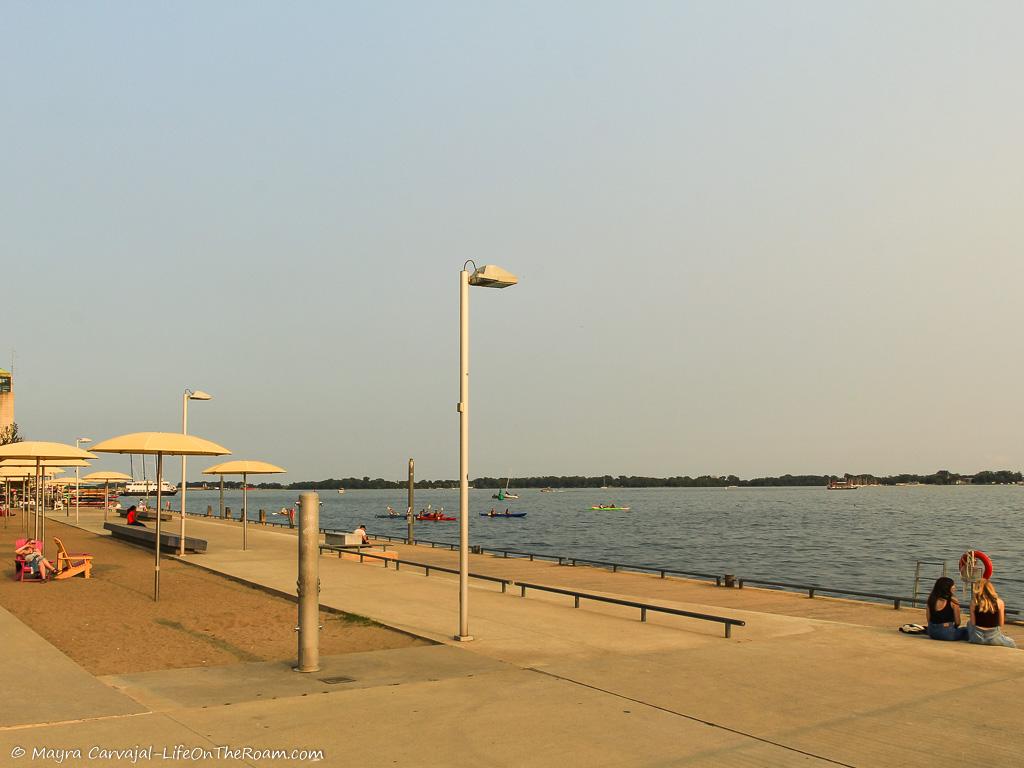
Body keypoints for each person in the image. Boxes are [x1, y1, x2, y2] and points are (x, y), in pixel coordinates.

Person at [969, 579, 1017, 648]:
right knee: (1011, 642)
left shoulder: (973, 602)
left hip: (977, 638)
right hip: (993, 637)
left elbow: (973, 624)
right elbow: (1001, 624)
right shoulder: (999, 602)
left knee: (968, 623)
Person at [925, 577, 967, 641]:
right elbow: (957, 622)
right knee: (967, 630)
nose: (954, 587)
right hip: (947, 633)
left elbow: (928, 619)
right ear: (947, 588)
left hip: (932, 632)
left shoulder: (931, 599)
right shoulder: (953, 601)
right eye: (953, 586)